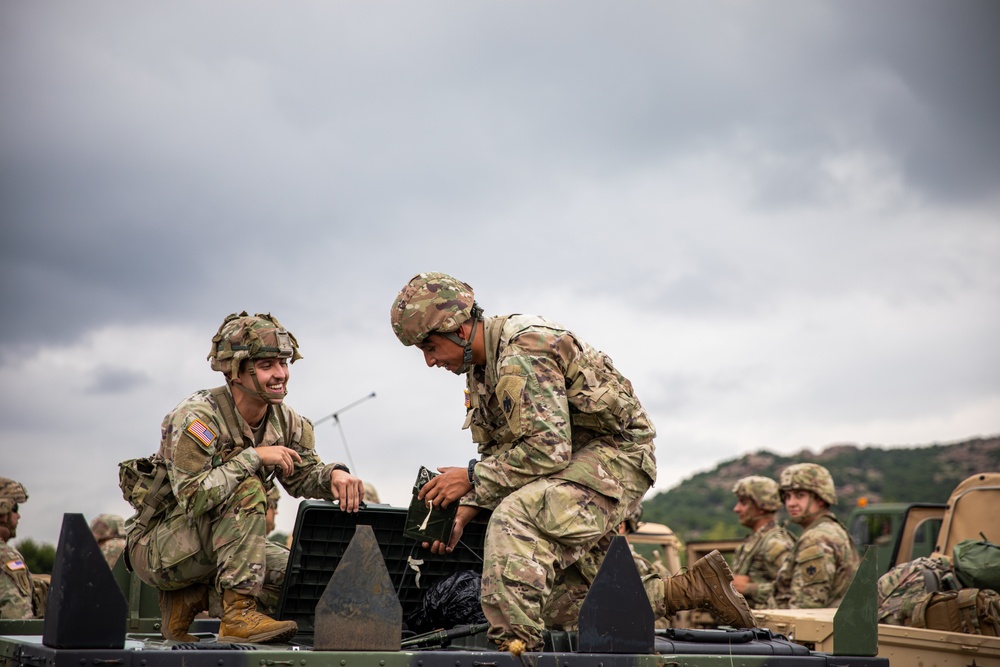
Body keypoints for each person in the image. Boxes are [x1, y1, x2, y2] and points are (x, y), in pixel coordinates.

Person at [390, 272, 754, 651]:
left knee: (518, 518)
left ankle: (515, 651)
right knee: (574, 602)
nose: (430, 361)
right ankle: (695, 588)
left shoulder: (523, 350)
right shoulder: (483, 371)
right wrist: (471, 502)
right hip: (568, 466)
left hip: (617, 455)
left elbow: (548, 450)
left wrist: (471, 478)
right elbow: (504, 451)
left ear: (459, 331)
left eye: (429, 347)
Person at [124, 312, 365, 644]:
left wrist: (335, 476)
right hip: (158, 549)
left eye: (284, 363)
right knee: (248, 488)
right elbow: (193, 498)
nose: (281, 374)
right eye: (267, 366)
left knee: (303, 577)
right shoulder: (196, 418)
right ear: (234, 371)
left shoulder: (288, 421)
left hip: (221, 545)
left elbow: (303, 477)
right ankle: (236, 616)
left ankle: (196, 596)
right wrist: (253, 458)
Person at [771, 463, 859, 608]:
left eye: (800, 495)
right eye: (787, 496)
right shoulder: (832, 529)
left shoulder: (816, 539)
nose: (791, 503)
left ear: (820, 498)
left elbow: (806, 607)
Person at [729, 476, 794, 609]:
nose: (736, 509)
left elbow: (794, 590)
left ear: (761, 506)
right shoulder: (755, 541)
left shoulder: (775, 544)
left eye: (743, 502)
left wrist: (748, 588)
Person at [0, 477, 47, 619]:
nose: (18, 516)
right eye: (15, 509)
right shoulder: (6, 558)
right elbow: (18, 622)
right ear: (3, 510)